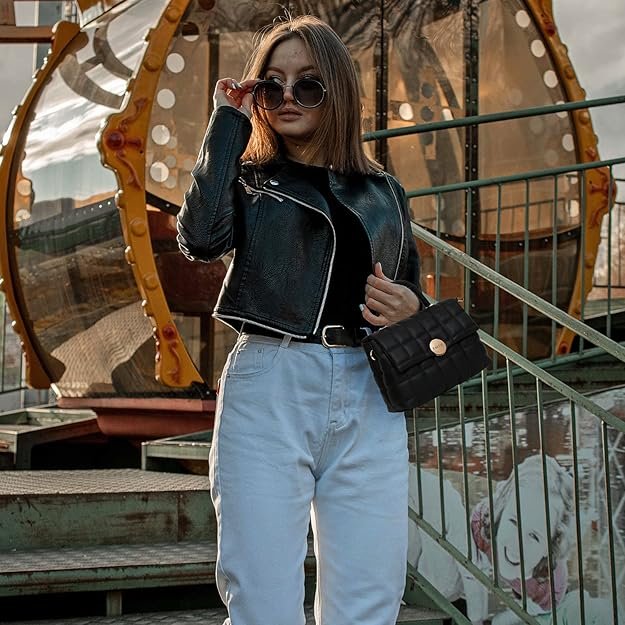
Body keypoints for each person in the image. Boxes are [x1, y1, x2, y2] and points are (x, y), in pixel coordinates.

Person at [177, 14, 429, 625]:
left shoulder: (383, 192)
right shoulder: (248, 182)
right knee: (262, 597)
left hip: (369, 392)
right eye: (273, 85)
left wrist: (413, 308)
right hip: (272, 382)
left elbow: (410, 291)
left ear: (336, 90)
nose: (288, 96)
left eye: (308, 84)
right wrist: (228, 123)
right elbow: (200, 239)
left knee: (370, 598)